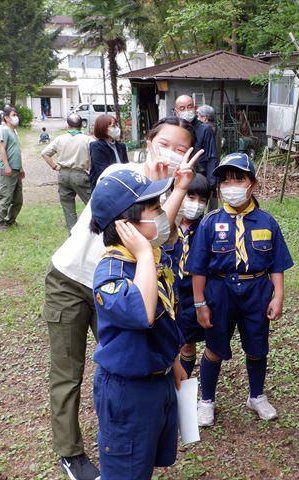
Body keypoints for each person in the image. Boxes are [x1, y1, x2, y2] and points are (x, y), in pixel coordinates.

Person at [42, 117, 199, 480]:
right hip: (73, 280)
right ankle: (71, 453)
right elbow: (139, 225)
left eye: (181, 149)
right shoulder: (119, 173)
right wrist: (163, 187)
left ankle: (144, 430)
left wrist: (176, 188)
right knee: (69, 371)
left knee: (139, 351)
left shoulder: (156, 195)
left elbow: (156, 233)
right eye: (166, 144)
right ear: (149, 141)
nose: (172, 154)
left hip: (129, 286)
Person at [88, 146, 200, 479]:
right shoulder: (112, 273)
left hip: (159, 378)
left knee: (144, 462)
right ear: (127, 226)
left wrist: (175, 362)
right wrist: (146, 254)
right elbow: (143, 312)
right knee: (126, 469)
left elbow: (164, 319)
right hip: (128, 390)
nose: (161, 214)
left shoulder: (147, 256)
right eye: (153, 207)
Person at [188, 153, 294, 427]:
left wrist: (278, 295)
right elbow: (198, 267)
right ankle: (207, 401)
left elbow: (277, 264)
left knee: (257, 347)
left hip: (256, 290)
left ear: (252, 184)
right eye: (225, 181)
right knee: (214, 347)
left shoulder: (267, 222)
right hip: (220, 291)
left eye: (238, 179)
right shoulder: (210, 223)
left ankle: (256, 396)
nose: (231, 185)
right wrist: (200, 303)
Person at [169, 173, 211, 377]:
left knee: (187, 344)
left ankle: (182, 385)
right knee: (166, 342)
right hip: (167, 293)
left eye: (202, 200)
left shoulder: (206, 228)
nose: (196, 204)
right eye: (191, 197)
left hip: (191, 294)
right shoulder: (166, 227)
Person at [42, 114, 93, 231]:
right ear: (81, 125)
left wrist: (55, 166)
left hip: (63, 175)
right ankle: (94, 230)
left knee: (68, 206)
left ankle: (72, 233)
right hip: (81, 174)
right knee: (92, 204)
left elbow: (45, 153)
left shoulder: (60, 139)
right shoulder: (88, 140)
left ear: (68, 125)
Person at [174, 95, 219, 197]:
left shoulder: (205, 129)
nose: (186, 110)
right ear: (176, 111)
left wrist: (210, 184)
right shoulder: (175, 130)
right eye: (182, 108)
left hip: (198, 179)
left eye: (189, 107)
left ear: (195, 109)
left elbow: (212, 157)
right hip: (178, 178)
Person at [0, 106, 24, 231]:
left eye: (16, 114)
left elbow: (16, 151)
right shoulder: (4, 130)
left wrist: (21, 168)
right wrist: (7, 166)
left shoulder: (14, 131)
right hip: (6, 169)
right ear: (6, 118)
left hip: (16, 170)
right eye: (13, 115)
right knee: (6, 198)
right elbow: (2, 149)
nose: (15, 117)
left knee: (18, 199)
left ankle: (11, 221)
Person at [88, 115, 128, 191]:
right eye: (113, 126)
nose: (116, 128)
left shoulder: (121, 146)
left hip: (121, 184)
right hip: (104, 186)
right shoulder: (97, 147)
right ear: (102, 128)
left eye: (116, 125)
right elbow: (102, 170)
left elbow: (126, 165)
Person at [196, 104, 222, 210]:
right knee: (211, 196)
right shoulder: (217, 128)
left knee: (201, 198)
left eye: (198, 116)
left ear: (205, 118)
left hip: (204, 168)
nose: (197, 118)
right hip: (213, 167)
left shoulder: (206, 130)